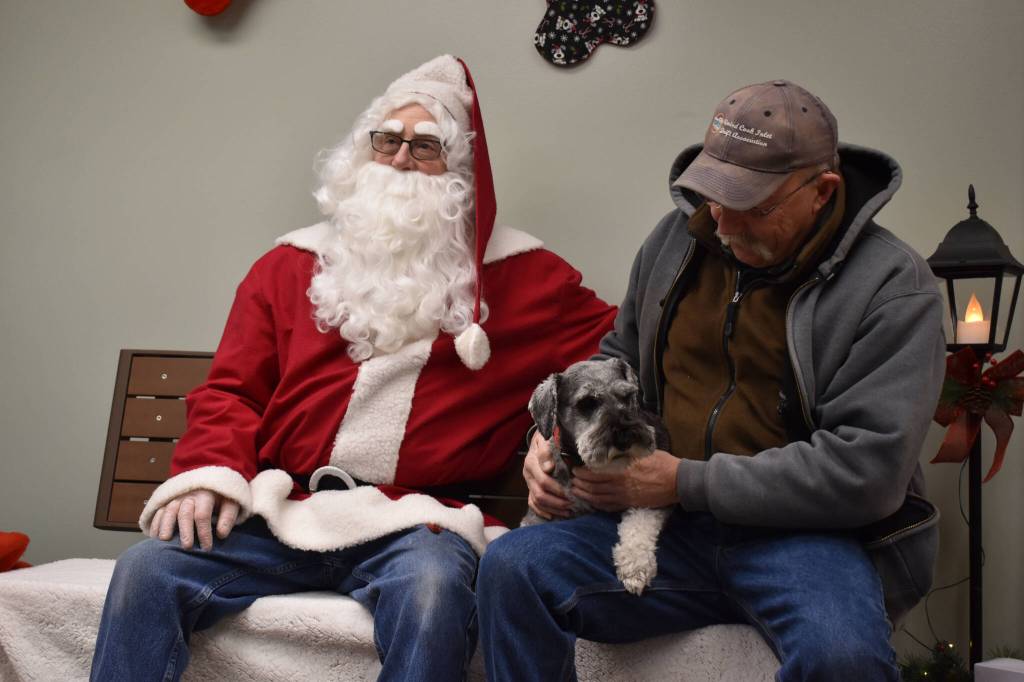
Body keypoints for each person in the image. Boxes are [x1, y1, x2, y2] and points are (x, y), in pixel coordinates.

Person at [90, 55, 616, 682]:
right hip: (281, 510)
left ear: (463, 171)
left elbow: (621, 354)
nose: (398, 160)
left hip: (418, 524)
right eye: (386, 140)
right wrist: (210, 474)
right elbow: (231, 390)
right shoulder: (287, 265)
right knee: (147, 569)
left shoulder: (528, 278)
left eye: (425, 147)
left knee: (432, 590)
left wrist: (550, 440)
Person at [477, 80, 946, 681]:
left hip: (806, 539)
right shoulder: (675, 242)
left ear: (821, 193)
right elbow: (619, 358)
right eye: (713, 194)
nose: (719, 222)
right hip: (660, 528)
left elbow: (868, 473)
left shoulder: (892, 287)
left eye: (751, 206)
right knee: (512, 569)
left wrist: (684, 482)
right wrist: (549, 447)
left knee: (845, 657)